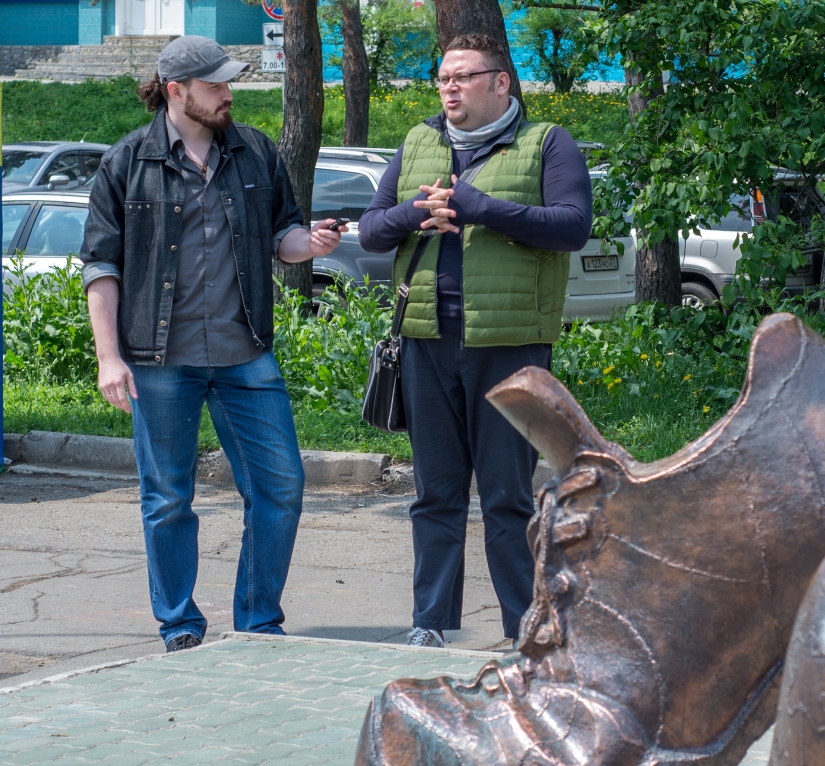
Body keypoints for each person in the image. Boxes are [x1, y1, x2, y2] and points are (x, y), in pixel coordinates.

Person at [80, 35, 344, 652]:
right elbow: (100, 266)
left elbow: (283, 237)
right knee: (169, 497)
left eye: (230, 83)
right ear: (177, 92)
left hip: (244, 353)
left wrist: (313, 243)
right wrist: (107, 357)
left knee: (280, 487)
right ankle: (179, 625)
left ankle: (257, 623)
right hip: (157, 360)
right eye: (216, 85)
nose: (229, 94)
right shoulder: (126, 163)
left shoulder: (255, 152)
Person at [359, 33, 592, 648]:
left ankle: (525, 628)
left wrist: (479, 206)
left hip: (509, 346)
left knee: (507, 497)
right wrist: (417, 214)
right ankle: (430, 621)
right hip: (426, 341)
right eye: (442, 78)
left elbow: (571, 227)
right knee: (434, 491)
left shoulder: (547, 143)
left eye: (463, 77)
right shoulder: (419, 142)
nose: (450, 88)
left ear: (500, 82)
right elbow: (371, 231)